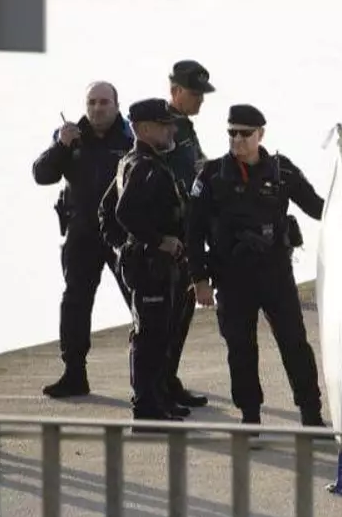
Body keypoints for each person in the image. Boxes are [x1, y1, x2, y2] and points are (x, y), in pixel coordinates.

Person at [188, 105, 328, 427]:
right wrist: (199, 279)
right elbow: (193, 231)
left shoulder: (282, 171)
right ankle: (250, 417)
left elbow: (318, 207)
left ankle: (311, 414)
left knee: (294, 344)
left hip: (275, 274)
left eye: (245, 133)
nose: (237, 139)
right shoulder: (211, 176)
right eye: (232, 133)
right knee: (241, 349)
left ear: (260, 134)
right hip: (232, 277)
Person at [34, 81, 135, 398]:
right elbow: (42, 175)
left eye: (104, 102)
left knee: (143, 303)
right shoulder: (70, 135)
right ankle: (74, 373)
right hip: (82, 233)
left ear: (116, 105)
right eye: (92, 102)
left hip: (123, 232)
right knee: (75, 302)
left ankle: (160, 376)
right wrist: (60, 146)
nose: (97, 108)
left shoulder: (131, 137)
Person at [110, 98, 191, 423]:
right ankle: (146, 409)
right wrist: (157, 242)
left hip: (156, 263)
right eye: (164, 125)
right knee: (150, 337)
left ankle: (159, 399)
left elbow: (108, 209)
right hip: (150, 265)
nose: (171, 130)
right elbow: (122, 212)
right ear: (143, 129)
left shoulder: (140, 162)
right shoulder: (143, 165)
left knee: (161, 335)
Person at [162, 59, 216, 410]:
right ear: (176, 91)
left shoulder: (184, 127)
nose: (201, 100)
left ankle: (168, 380)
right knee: (165, 319)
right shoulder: (163, 126)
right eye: (195, 93)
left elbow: (195, 166)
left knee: (181, 314)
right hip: (167, 234)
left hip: (185, 231)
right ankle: (159, 386)